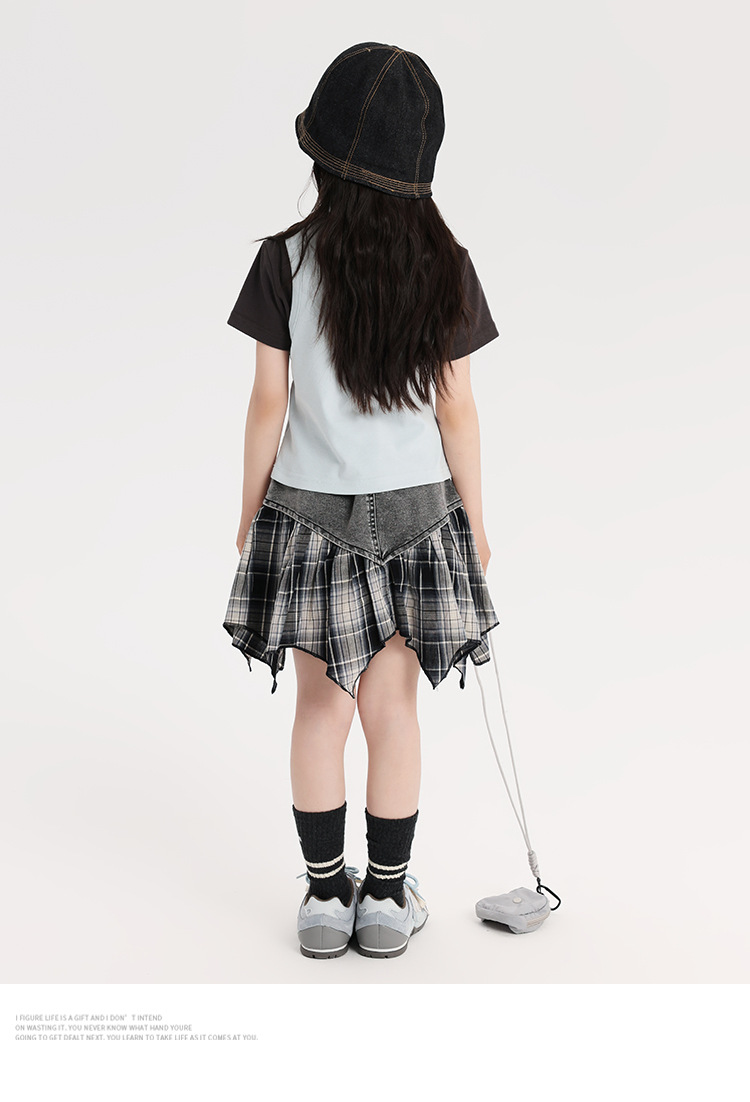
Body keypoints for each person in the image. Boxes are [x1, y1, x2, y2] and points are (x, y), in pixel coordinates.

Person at [222, 41, 500, 959]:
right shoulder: (447, 264)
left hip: (308, 515)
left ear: (323, 154)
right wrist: (476, 520)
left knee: (319, 710)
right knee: (394, 711)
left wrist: (251, 508)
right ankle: (384, 901)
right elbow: (456, 409)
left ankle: (320, 899)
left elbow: (269, 401)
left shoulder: (284, 260)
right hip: (419, 513)